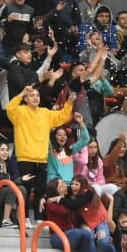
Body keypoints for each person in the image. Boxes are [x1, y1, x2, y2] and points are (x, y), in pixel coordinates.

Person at [7, 85, 75, 215]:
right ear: (26, 99)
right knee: (25, 189)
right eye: (32, 95)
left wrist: (69, 103)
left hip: (42, 158)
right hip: (25, 157)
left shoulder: (45, 113)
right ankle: (24, 217)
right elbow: (9, 108)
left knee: (40, 190)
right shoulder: (20, 111)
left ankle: (38, 217)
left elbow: (62, 116)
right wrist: (21, 93)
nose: (35, 98)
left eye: (37, 95)